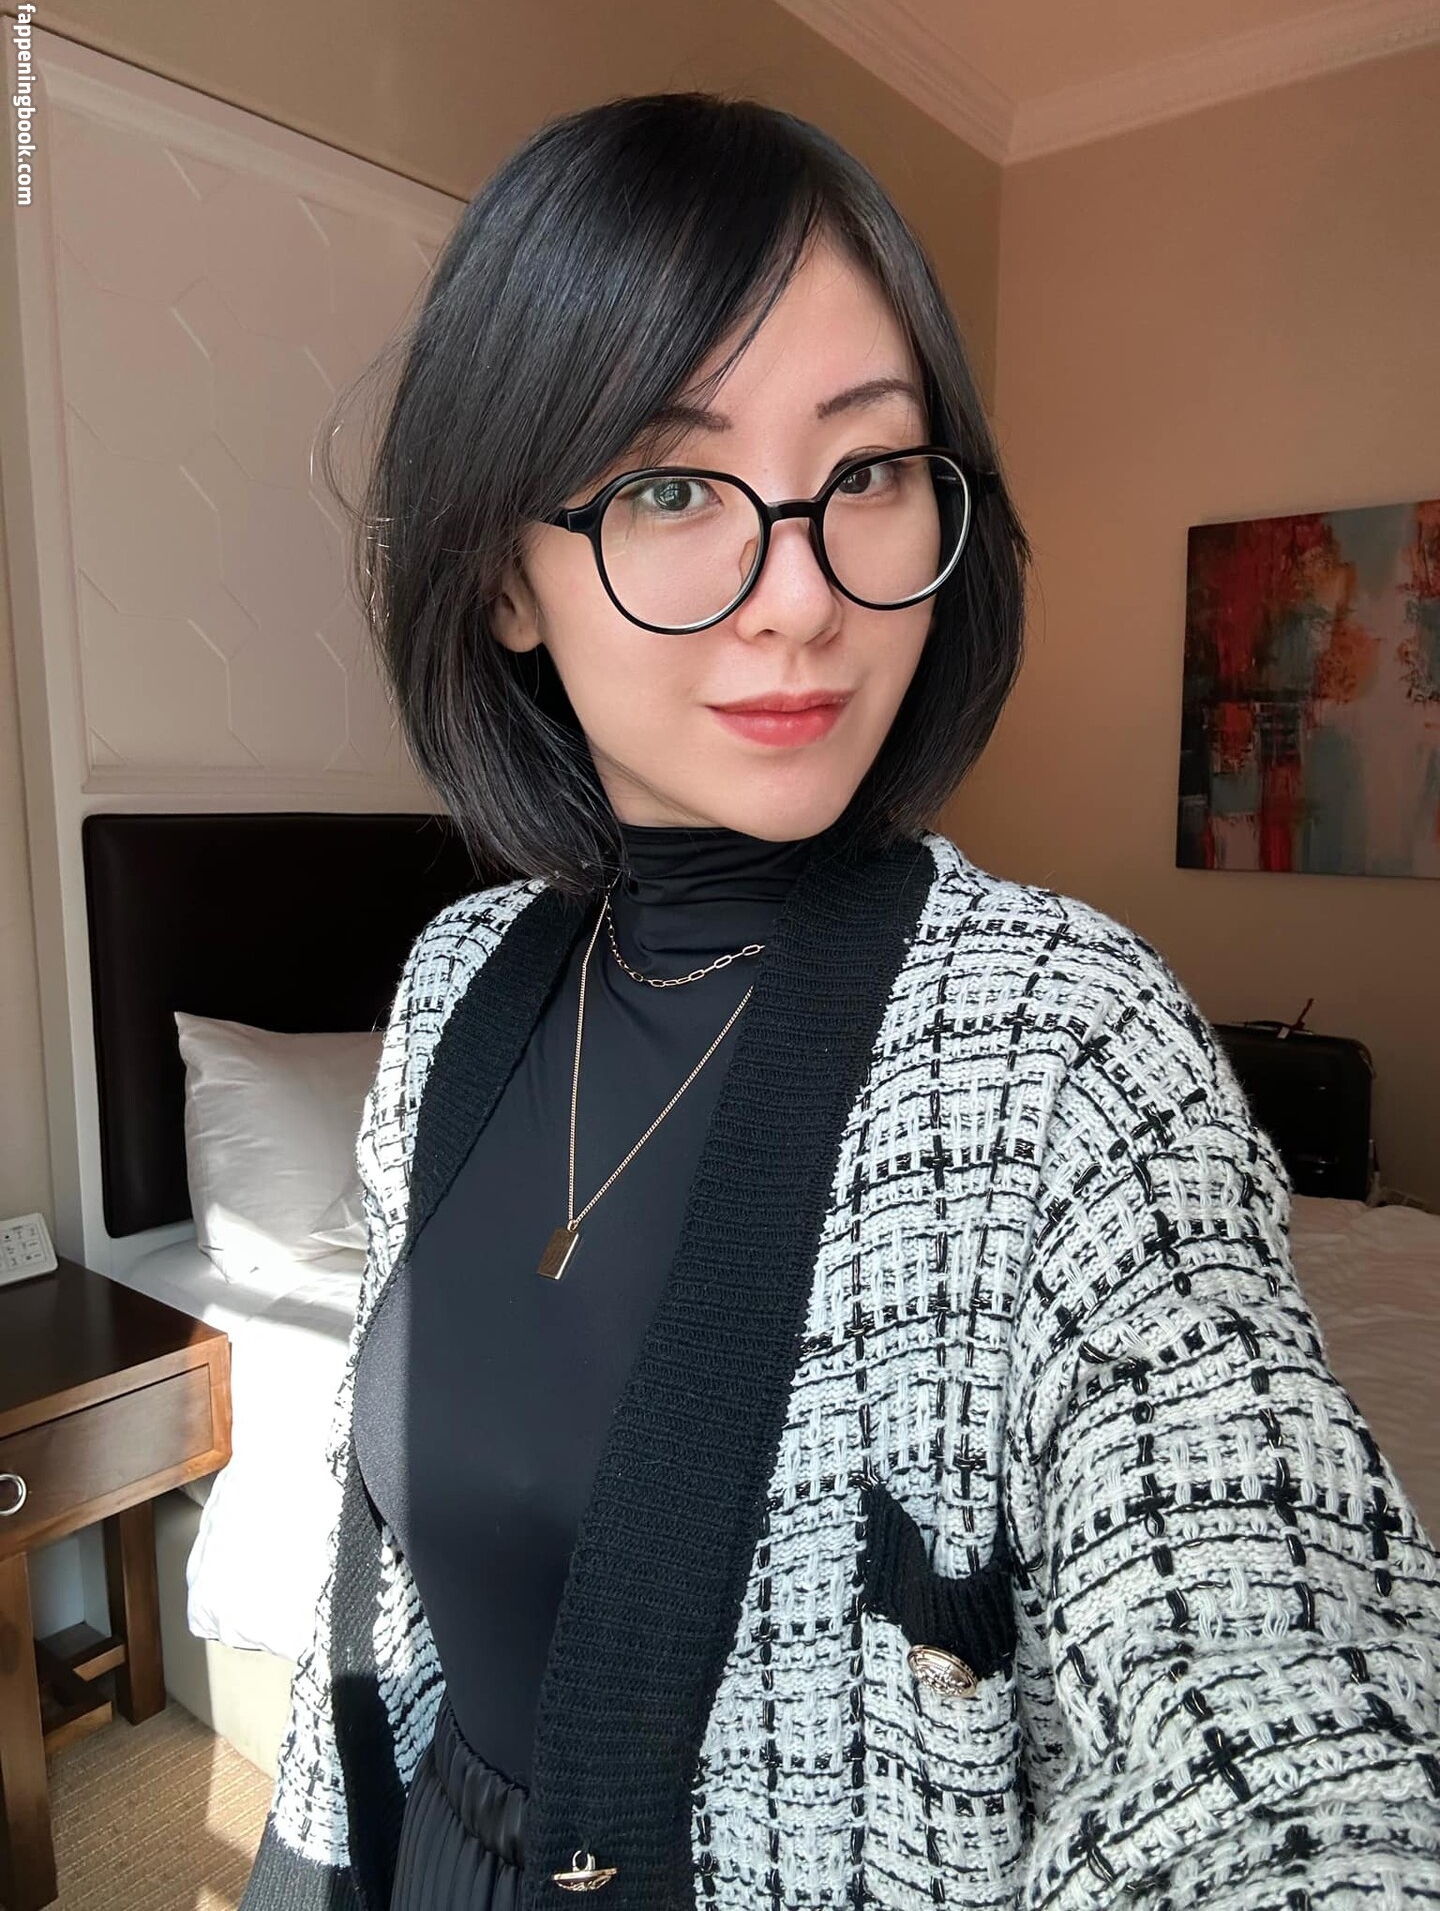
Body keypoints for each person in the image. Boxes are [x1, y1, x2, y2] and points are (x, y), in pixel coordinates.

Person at [240, 92, 1440, 1911]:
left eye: (868, 470)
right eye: (665, 485)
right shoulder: (455, 985)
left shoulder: (1070, 1041)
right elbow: (393, 1577)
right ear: (501, 578)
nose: (801, 598)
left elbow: (1281, 1700)